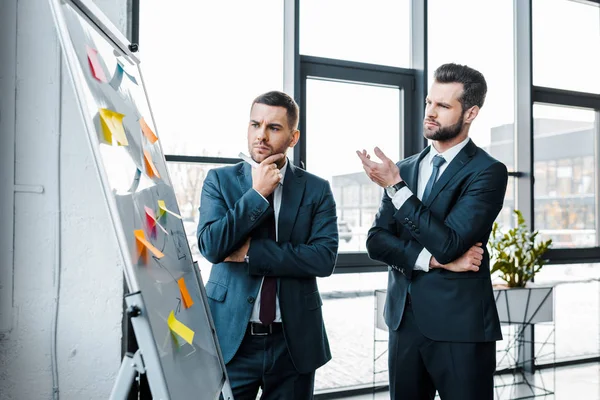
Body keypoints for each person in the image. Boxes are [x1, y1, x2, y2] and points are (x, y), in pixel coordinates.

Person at [356, 63, 508, 400]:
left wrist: (397, 189)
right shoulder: (405, 168)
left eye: (442, 105)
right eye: (428, 102)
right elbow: (376, 241)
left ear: (470, 113)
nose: (430, 112)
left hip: (460, 329)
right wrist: (434, 262)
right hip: (403, 323)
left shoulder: (488, 172)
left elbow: (450, 243)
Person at [197, 90, 338, 399]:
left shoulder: (316, 189)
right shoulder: (219, 181)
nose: (261, 135)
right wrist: (257, 193)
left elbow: (323, 259)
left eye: (273, 128)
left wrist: (249, 253)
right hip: (232, 338)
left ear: (293, 136)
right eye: (255, 124)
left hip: (293, 341)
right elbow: (210, 246)